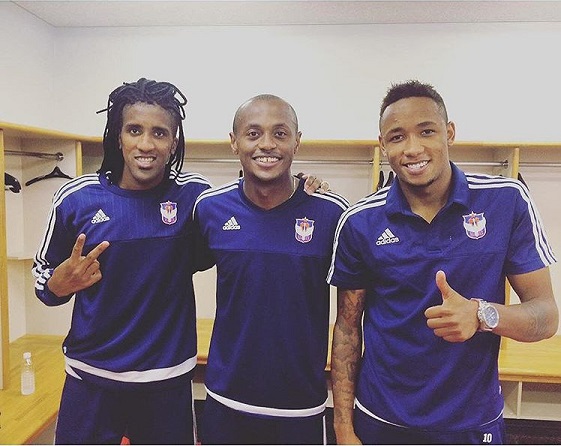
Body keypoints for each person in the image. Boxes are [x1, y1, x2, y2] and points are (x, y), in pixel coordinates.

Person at [32, 78, 326, 444]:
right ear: (118, 136)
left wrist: (303, 187)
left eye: (159, 133)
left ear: (173, 142)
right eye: (134, 130)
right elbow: (43, 277)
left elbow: (251, 210)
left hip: (166, 380)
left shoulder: (195, 198)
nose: (146, 144)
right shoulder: (76, 197)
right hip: (90, 376)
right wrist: (58, 285)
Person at [327, 80, 559, 445]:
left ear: (449, 133)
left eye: (426, 131)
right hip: (381, 420)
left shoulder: (506, 201)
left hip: (472, 422)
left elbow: (545, 316)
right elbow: (347, 330)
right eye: (397, 137)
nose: (413, 148)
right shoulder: (359, 222)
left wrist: (481, 314)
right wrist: (343, 429)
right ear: (383, 145)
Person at [193, 94, 349, 444]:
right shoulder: (209, 208)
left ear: (297, 141)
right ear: (234, 142)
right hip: (226, 398)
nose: (267, 144)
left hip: (300, 405)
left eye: (280, 133)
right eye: (253, 133)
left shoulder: (332, 213)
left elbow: (353, 315)